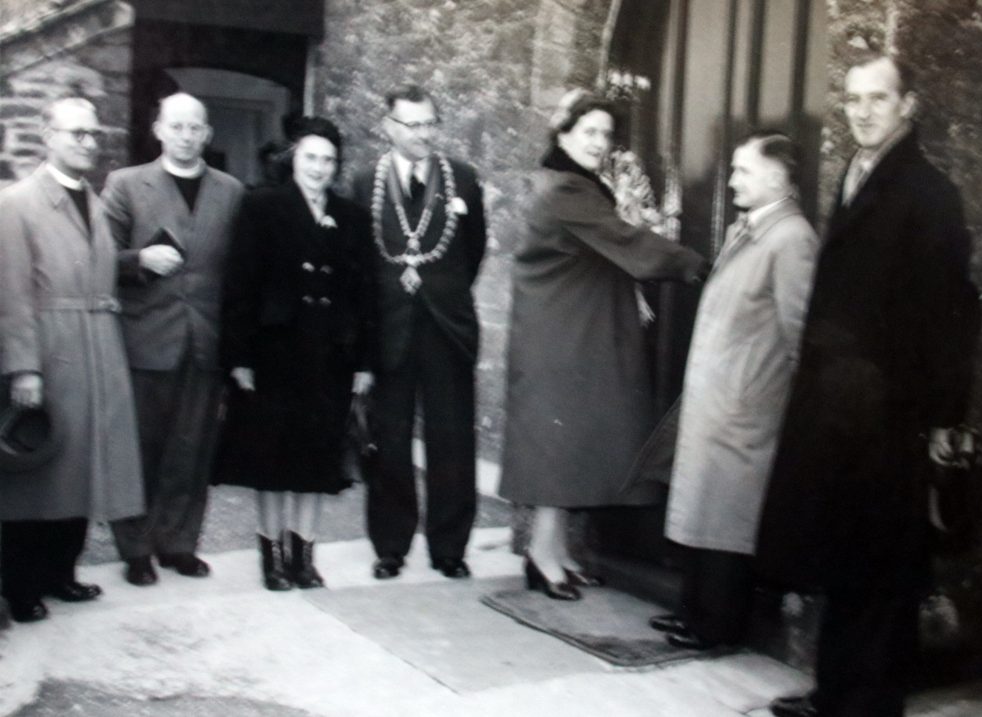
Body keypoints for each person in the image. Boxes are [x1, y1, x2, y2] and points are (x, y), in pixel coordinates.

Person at [758, 54, 980, 717]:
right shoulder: (858, 174)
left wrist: (943, 418)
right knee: (848, 554)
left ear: (906, 103)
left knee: (882, 567)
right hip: (842, 409)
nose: (862, 110)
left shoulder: (929, 193)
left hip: (892, 412)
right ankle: (834, 692)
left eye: (877, 98)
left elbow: (953, 313)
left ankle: (866, 703)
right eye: (852, 98)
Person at [498, 89, 706, 600]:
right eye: (587, 131)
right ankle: (544, 557)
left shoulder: (570, 183)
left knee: (569, 447)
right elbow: (628, 243)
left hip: (566, 336)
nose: (598, 142)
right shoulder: (568, 190)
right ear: (563, 134)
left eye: (605, 133)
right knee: (558, 450)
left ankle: (556, 552)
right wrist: (696, 264)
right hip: (561, 342)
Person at [646, 132, 819, 649]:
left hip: (746, 407)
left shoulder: (792, 240)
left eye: (743, 170)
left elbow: (799, 334)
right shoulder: (749, 229)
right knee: (703, 511)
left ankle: (718, 626)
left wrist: (775, 403)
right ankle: (694, 610)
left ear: (775, 177)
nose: (733, 179)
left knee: (727, 520)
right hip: (717, 403)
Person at [0, 98, 144, 622]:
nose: (88, 142)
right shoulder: (17, 202)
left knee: (85, 471)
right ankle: (20, 585)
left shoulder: (93, 200)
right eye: (75, 133)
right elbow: (11, 295)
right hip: (52, 350)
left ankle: (63, 572)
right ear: (47, 136)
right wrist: (24, 367)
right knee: (40, 474)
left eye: (92, 133)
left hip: (98, 348)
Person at [218, 117, 376, 591]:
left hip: (330, 356)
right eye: (311, 157)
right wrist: (239, 357)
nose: (319, 168)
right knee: (272, 458)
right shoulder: (262, 206)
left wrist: (365, 362)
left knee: (315, 460)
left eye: (328, 160)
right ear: (293, 160)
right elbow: (240, 285)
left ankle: (304, 555)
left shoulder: (352, 218)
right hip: (275, 353)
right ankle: (271, 557)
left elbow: (365, 294)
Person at [103, 93, 245, 587]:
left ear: (207, 134)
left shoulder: (230, 191)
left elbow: (240, 275)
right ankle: (136, 549)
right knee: (141, 450)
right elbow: (97, 257)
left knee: (193, 450)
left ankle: (179, 544)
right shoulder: (125, 185)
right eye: (176, 126)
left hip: (204, 343)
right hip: (145, 341)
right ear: (158, 129)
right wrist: (138, 261)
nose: (186, 136)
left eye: (195, 128)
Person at [351, 84, 487, 580]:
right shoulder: (364, 182)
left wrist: (439, 291)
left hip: (446, 328)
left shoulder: (464, 180)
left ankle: (449, 547)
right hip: (390, 330)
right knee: (390, 440)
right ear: (387, 127)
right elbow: (361, 266)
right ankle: (391, 544)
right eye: (411, 124)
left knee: (451, 439)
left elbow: (471, 252)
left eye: (429, 123)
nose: (422, 134)